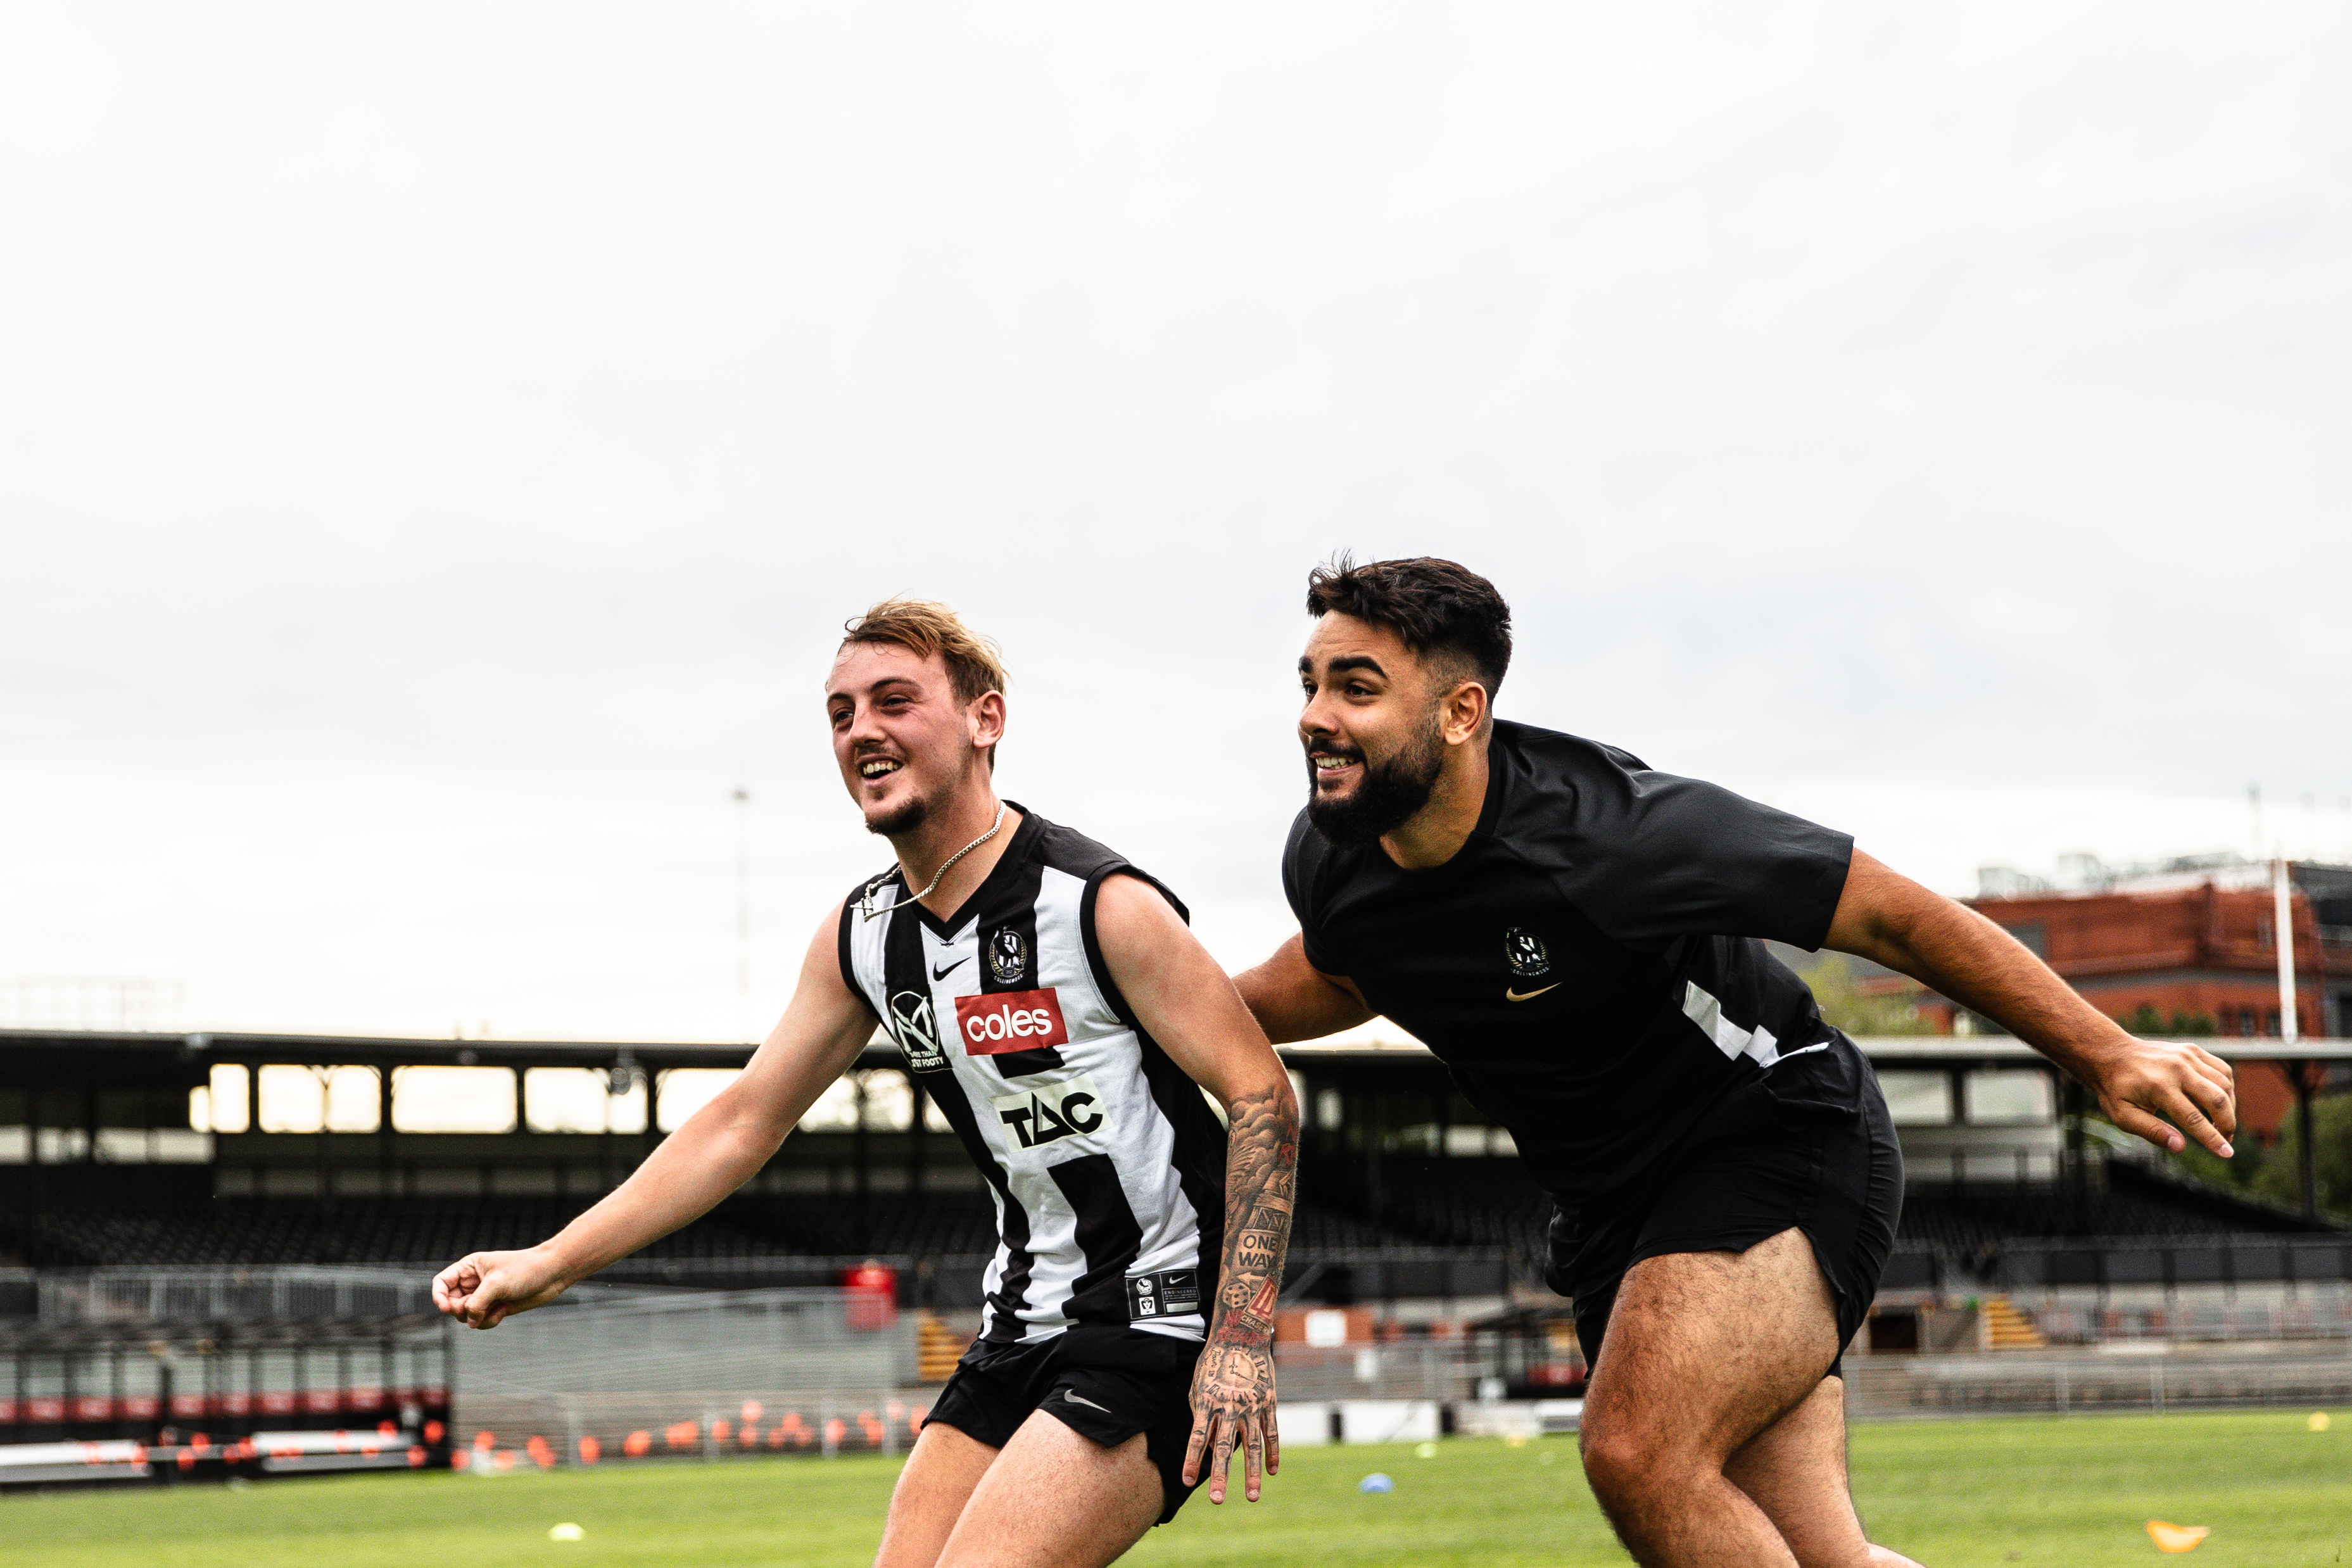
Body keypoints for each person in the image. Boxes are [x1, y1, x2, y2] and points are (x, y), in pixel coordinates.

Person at [1234, 556, 2237, 1568]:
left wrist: (2103, 1053)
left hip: (1775, 1137)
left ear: (1460, 711)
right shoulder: (1329, 859)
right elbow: (1349, 971)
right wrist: (1174, 1015)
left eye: (1356, 689)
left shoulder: (1615, 836)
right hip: (1610, 1215)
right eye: (1311, 684)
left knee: (1636, 1451)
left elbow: (1889, 913)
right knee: (1821, 1554)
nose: (1316, 716)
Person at [433, 599, 1299, 1568]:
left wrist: (1239, 1339)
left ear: (985, 719)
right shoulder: (865, 935)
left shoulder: (1098, 904)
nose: (862, 732)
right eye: (841, 714)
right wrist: (546, 1263)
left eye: (895, 701)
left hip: (1157, 1317)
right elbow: (740, 1122)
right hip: (1017, 1322)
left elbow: (1262, 1095)